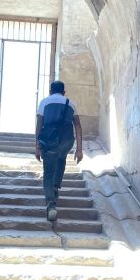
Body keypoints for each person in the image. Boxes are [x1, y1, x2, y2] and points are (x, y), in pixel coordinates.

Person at [35, 80, 83, 222]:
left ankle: (51, 204)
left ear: (50, 91)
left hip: (49, 142)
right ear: (64, 92)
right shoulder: (71, 103)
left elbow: (39, 124)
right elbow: (78, 127)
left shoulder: (44, 102)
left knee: (48, 173)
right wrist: (79, 149)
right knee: (61, 159)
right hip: (66, 141)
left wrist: (37, 146)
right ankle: (56, 187)